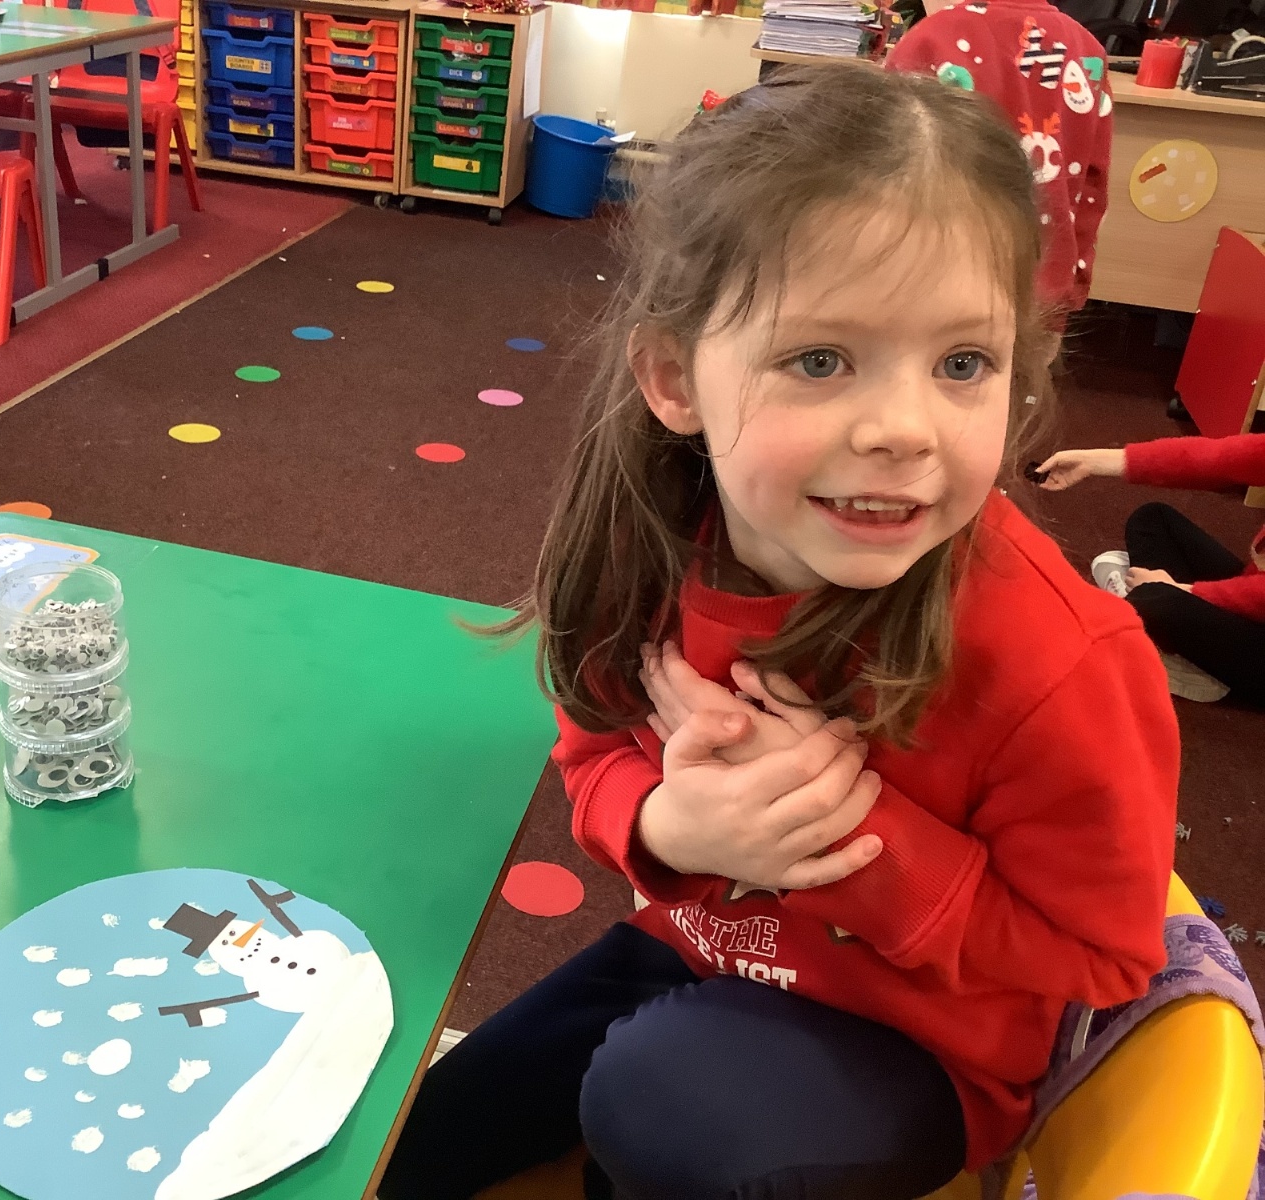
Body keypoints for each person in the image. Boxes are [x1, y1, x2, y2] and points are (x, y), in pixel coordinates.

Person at [380, 65, 1176, 1200]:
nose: (903, 430)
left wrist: (850, 838)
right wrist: (672, 826)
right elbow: (592, 751)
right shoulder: (650, 541)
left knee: (657, 1106)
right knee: (411, 1145)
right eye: (819, 360)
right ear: (673, 379)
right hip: (698, 954)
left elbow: (1105, 958)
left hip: (918, 1047)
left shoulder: (1062, 661)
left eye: (963, 363)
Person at [886, 0, 1112, 323]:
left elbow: (888, 168)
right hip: (1045, 289)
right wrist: (1074, 284)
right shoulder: (1087, 48)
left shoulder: (929, 38)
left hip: (937, 279)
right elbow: (1094, 187)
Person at [1037, 434, 1265, 704]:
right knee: (1153, 519)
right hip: (1253, 595)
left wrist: (1179, 589)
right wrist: (1091, 461)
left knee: (1160, 600)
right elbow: (1213, 458)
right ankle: (1163, 632)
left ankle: (1156, 628)